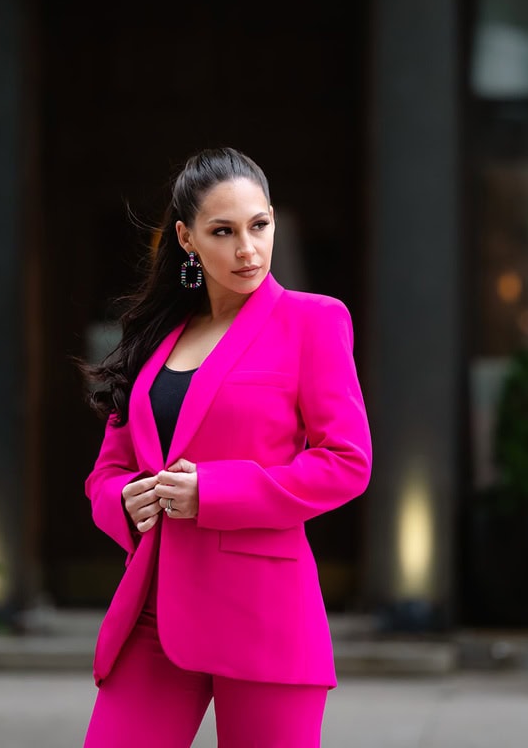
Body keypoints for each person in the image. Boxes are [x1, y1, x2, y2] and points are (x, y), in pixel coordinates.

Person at [81, 147, 372, 748]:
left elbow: (346, 462)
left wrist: (212, 492)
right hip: (154, 612)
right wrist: (124, 501)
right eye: (223, 231)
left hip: (264, 615)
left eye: (258, 225)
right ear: (186, 238)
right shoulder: (154, 336)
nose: (247, 249)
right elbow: (107, 472)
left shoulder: (313, 322)